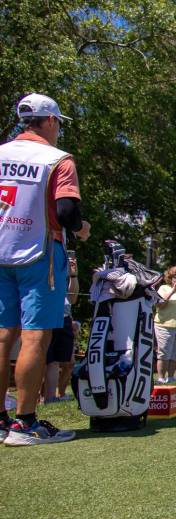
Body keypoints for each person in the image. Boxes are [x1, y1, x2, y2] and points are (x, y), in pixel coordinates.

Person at [0, 93, 90, 446]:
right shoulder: (58, 160)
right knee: (36, 336)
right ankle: (24, 423)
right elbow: (67, 211)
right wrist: (82, 229)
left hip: (2, 249)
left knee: (3, 334)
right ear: (50, 121)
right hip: (39, 251)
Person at [43, 253, 80, 402]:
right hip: (45, 319)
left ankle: (54, 396)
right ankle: (39, 396)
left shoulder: (64, 275)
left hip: (64, 319)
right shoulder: (45, 269)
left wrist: (73, 274)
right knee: (44, 360)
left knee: (61, 362)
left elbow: (73, 298)